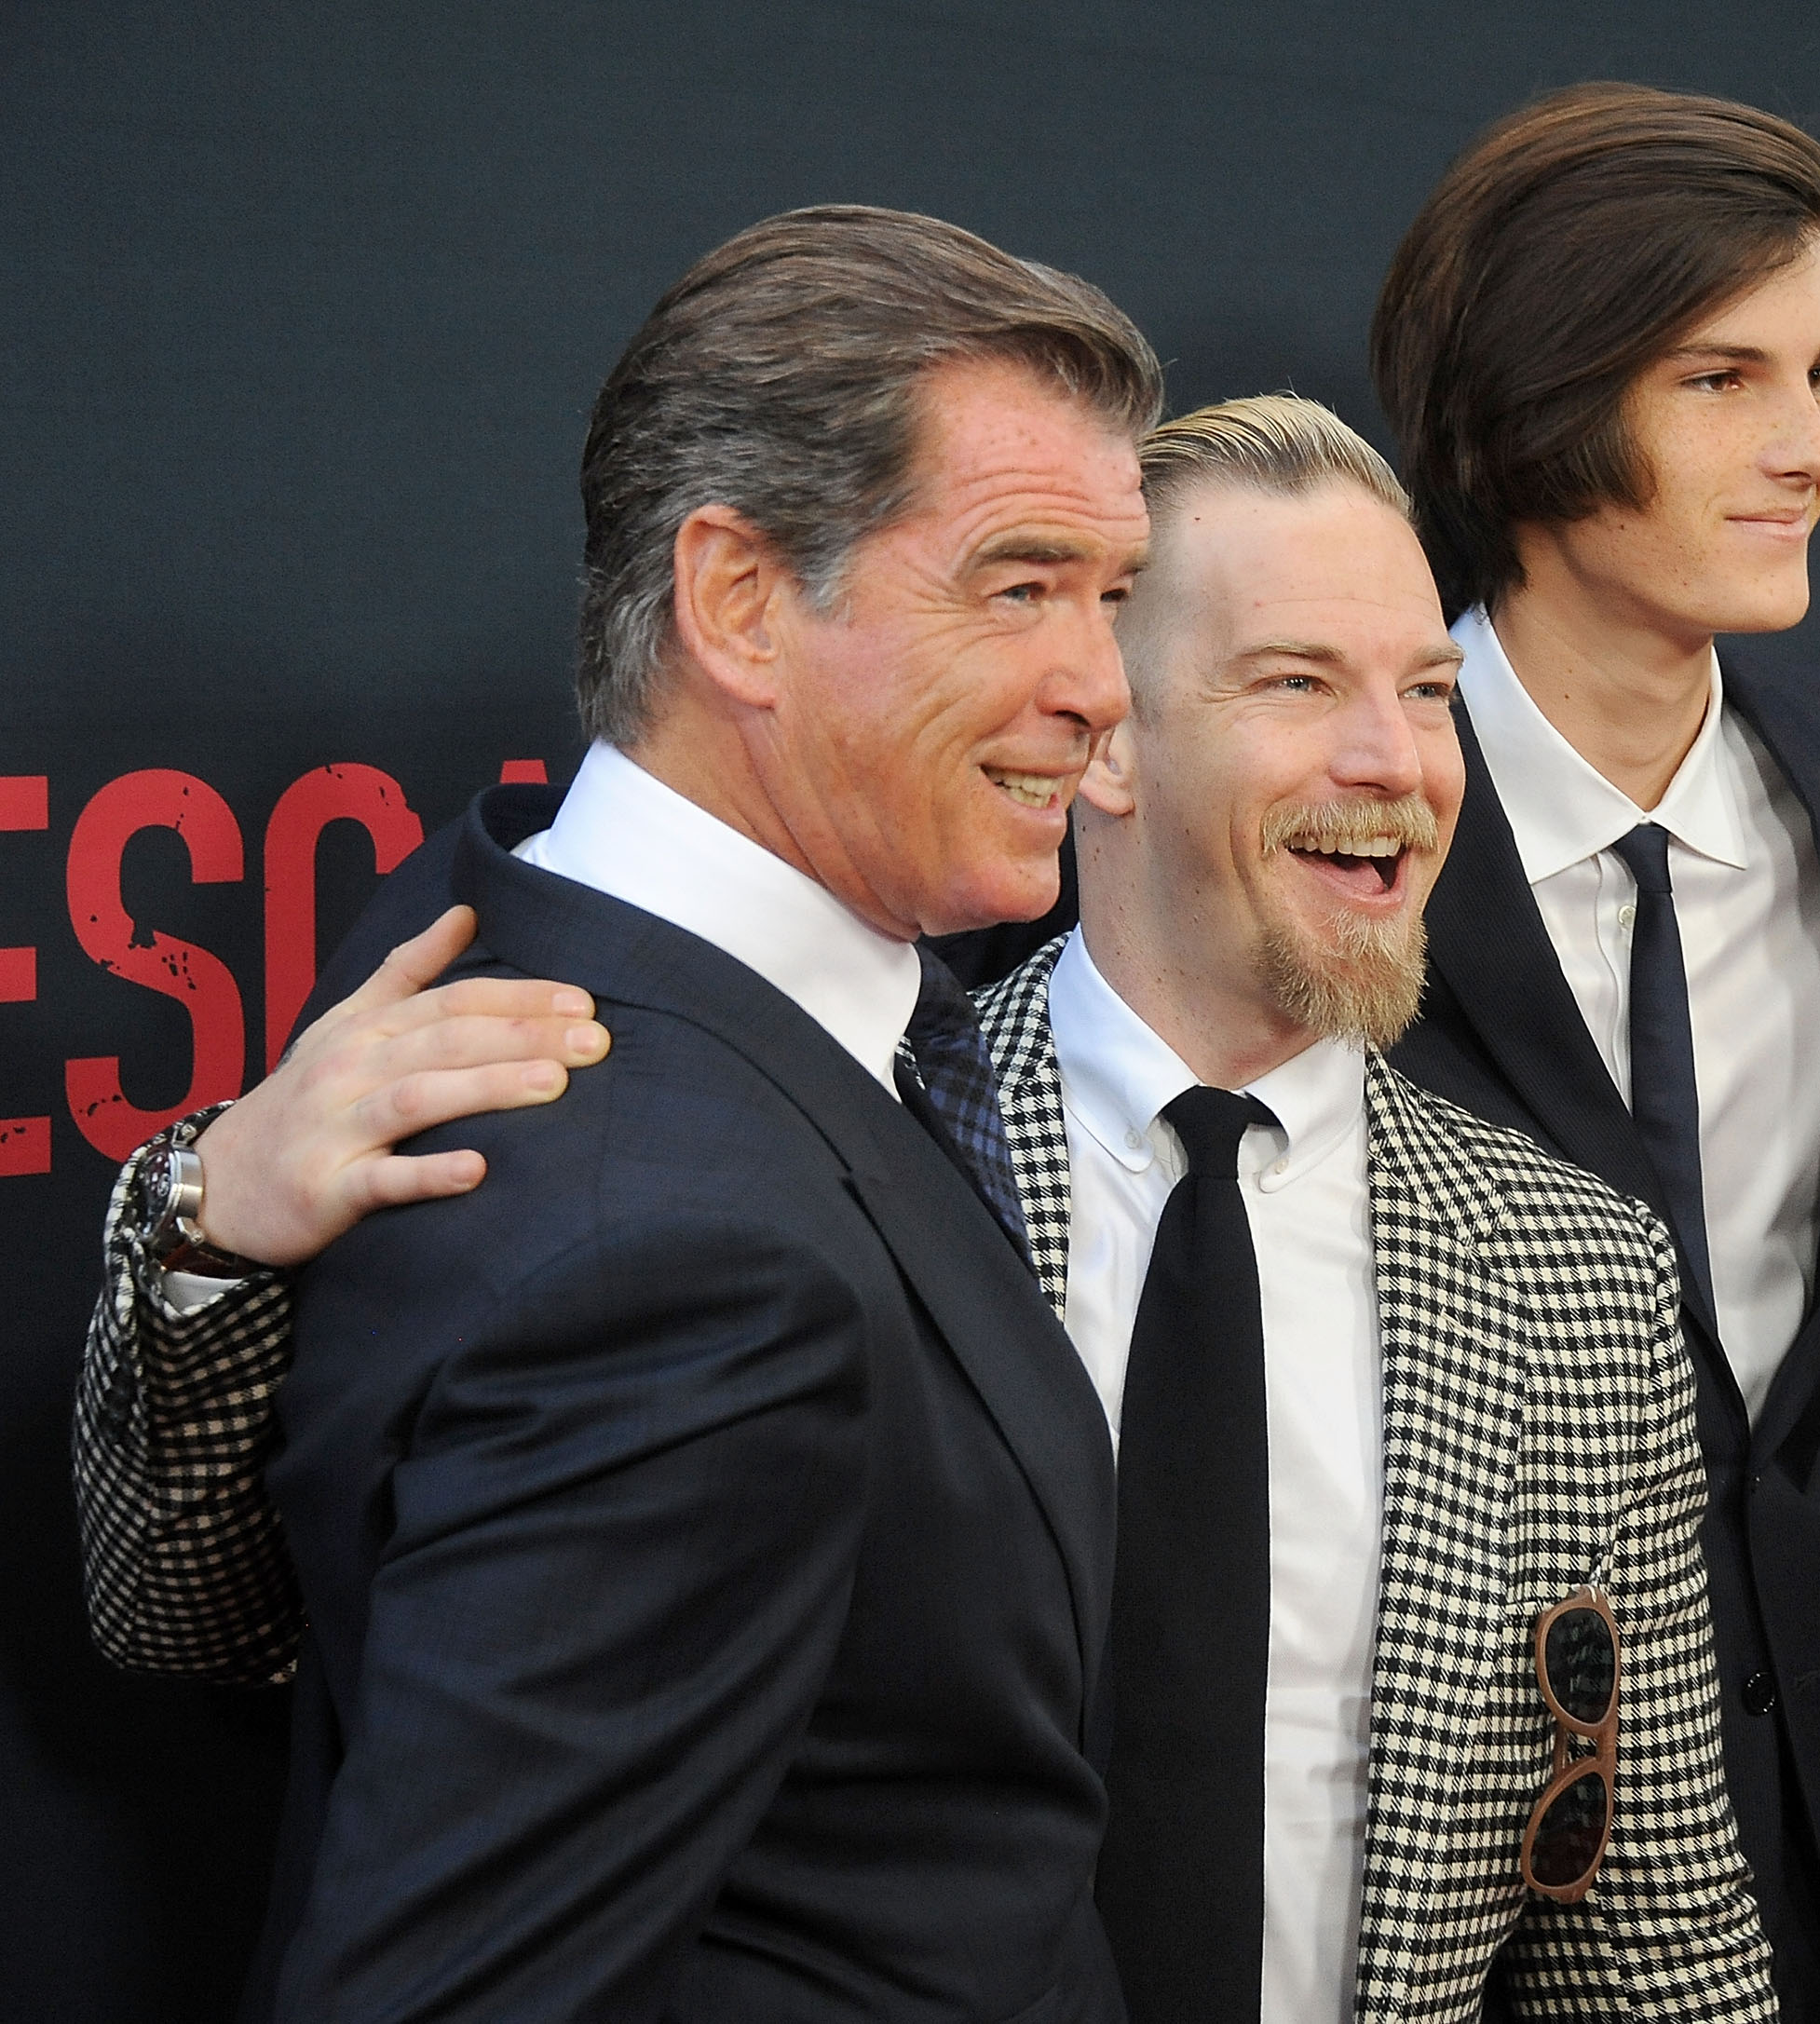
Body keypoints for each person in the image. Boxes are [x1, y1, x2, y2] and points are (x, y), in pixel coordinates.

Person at [79, 393, 1777, 2021]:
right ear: (1106, 736)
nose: (1395, 761)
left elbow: (1653, 1926)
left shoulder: (1581, 1272)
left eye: (1426, 689)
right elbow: (206, 1612)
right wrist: (207, 1214)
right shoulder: (836, 1140)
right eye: (1297, 680)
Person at [99, 203, 1167, 2021]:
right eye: (1020, 585)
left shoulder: (472, 943)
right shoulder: (677, 1257)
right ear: (739, 600)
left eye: (1112, 596)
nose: (1100, 689)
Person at [1370, 84, 1820, 2022]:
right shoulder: (1338, 807)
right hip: (1460, 1846)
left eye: (1819, 374)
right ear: (1522, 409)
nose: (1809, 445)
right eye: (1723, 377)